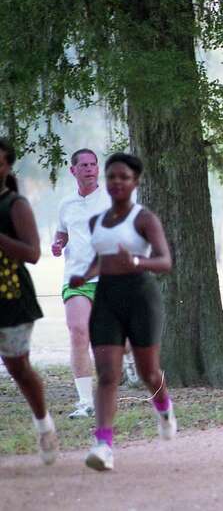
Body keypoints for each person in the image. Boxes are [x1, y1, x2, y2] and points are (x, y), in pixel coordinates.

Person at [72, 153, 174, 471]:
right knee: (107, 374)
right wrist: (84, 276)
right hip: (106, 298)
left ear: (135, 182)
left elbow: (164, 262)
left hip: (141, 297)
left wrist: (137, 262)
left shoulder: (144, 219)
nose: (116, 182)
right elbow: (101, 259)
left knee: (149, 372)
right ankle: (103, 445)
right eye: (112, 176)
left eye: (124, 177)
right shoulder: (95, 222)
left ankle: (164, 406)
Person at [0, 138, 58, 465]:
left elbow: (33, 253)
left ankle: (44, 425)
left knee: (18, 368)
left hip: (12, 299)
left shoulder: (15, 205)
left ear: (7, 166)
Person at [52, 149, 109, 419]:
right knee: (78, 333)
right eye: (83, 165)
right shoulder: (66, 204)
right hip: (76, 278)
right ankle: (85, 402)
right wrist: (58, 243)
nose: (89, 169)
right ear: (73, 170)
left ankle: (132, 363)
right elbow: (62, 230)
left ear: (98, 169)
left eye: (93, 164)